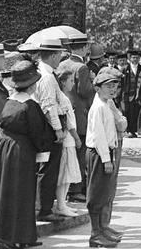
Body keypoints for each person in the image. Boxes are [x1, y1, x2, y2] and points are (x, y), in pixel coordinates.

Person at [0, 60, 54, 249]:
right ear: (33, 85)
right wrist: (45, 147)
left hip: (5, 149)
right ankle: (14, 237)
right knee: (22, 193)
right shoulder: (30, 105)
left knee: (6, 192)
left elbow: (1, 125)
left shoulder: (10, 102)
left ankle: (16, 235)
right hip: (22, 152)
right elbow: (38, 133)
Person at [85, 66, 129, 248]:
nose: (112, 90)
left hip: (107, 152)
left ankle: (102, 229)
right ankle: (95, 233)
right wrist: (105, 159)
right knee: (96, 193)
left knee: (104, 192)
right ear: (97, 88)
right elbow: (99, 136)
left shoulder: (106, 104)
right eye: (108, 86)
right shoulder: (98, 108)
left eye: (114, 86)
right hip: (99, 153)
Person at [29, 38, 69, 221]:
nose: (60, 57)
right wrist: (58, 129)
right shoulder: (46, 77)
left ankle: (43, 207)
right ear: (53, 56)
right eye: (59, 53)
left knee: (47, 167)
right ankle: (43, 210)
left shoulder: (46, 73)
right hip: (49, 128)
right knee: (48, 168)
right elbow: (49, 106)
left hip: (49, 125)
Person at [56, 34, 95, 204]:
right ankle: (76, 190)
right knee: (80, 154)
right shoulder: (82, 67)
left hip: (66, 111)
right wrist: (93, 81)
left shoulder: (62, 63)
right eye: (87, 47)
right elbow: (85, 92)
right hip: (80, 115)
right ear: (83, 47)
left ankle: (70, 188)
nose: (88, 49)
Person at [53, 69, 84, 217]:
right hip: (68, 140)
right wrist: (77, 138)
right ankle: (60, 204)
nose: (73, 83)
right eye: (71, 81)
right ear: (63, 82)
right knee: (64, 174)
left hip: (70, 141)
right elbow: (69, 123)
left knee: (68, 175)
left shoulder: (65, 97)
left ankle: (63, 203)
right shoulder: (63, 98)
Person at [122, 49, 141, 138]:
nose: (135, 59)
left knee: (136, 112)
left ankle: (135, 130)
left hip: (138, 95)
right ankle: (129, 130)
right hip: (128, 95)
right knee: (128, 112)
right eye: (133, 57)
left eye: (136, 58)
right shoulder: (125, 69)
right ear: (130, 58)